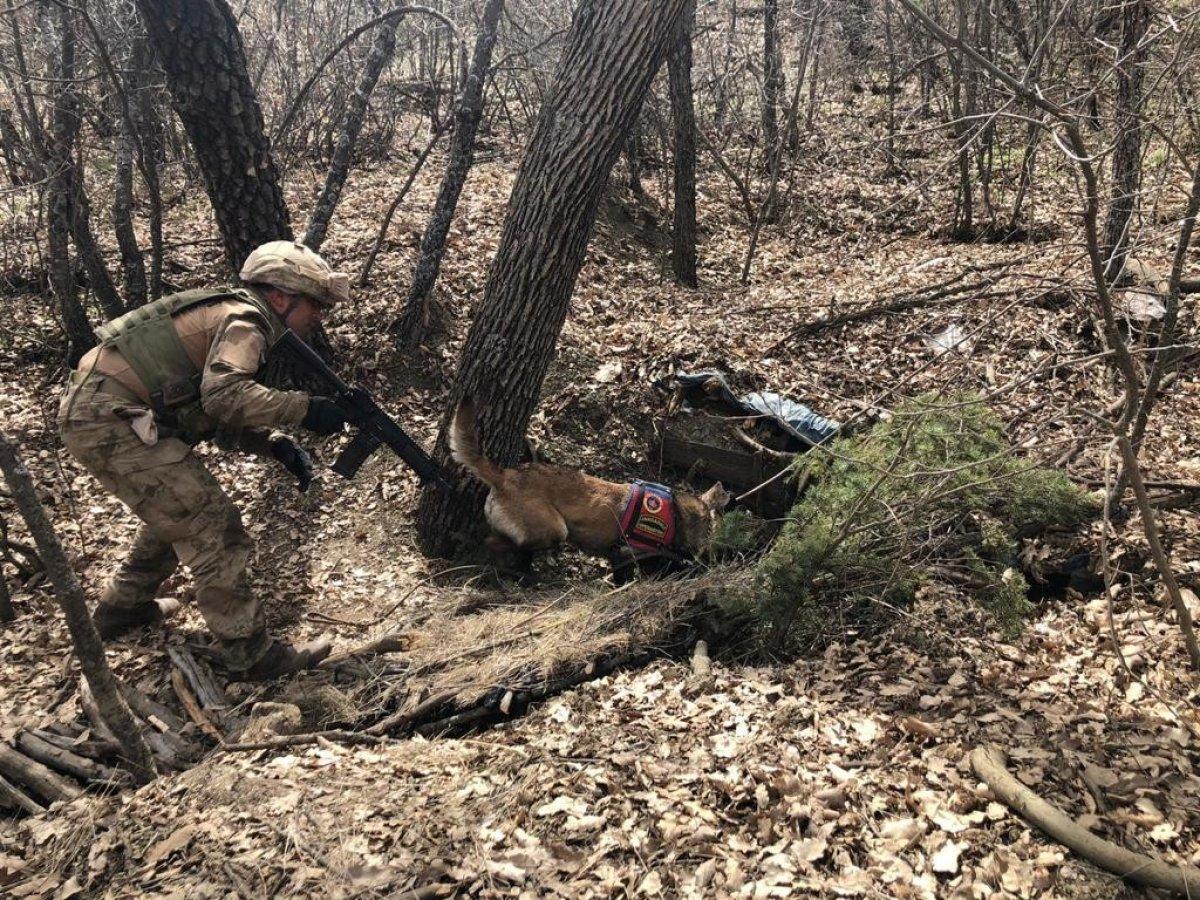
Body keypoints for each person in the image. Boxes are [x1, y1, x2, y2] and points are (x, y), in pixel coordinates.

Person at [58, 241, 357, 679]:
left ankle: (121, 610)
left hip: (104, 413)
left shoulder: (232, 314)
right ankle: (251, 654)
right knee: (211, 522)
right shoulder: (245, 320)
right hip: (107, 419)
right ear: (280, 297)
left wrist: (273, 443)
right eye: (314, 305)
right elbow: (225, 398)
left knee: (175, 512)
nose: (318, 317)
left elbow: (202, 407)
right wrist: (306, 409)